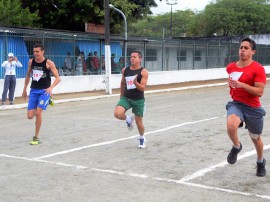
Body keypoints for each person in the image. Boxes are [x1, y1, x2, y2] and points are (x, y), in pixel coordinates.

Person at [226, 37, 266, 177]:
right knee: (231, 125)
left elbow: (259, 92)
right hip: (237, 104)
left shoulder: (258, 69)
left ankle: (260, 162)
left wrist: (242, 85)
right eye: (241, 47)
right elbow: (231, 82)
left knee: (255, 138)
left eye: (246, 48)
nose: (242, 50)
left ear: (253, 51)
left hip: (253, 107)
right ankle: (237, 146)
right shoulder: (231, 67)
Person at [22, 44, 61, 145]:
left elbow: (58, 78)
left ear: (42, 52)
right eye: (34, 52)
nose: (35, 53)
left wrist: (51, 88)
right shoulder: (31, 62)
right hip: (34, 90)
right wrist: (24, 89)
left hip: (44, 91)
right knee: (30, 116)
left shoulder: (49, 63)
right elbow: (27, 76)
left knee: (39, 113)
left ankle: (36, 137)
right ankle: (46, 102)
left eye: (37, 52)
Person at [114, 50, 149, 148]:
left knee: (139, 122)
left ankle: (142, 138)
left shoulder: (144, 72)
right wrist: (121, 95)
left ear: (140, 59)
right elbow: (122, 83)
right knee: (117, 114)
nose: (132, 58)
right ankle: (128, 119)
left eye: (134, 57)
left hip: (138, 99)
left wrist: (135, 83)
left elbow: (142, 88)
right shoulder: (125, 70)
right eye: (131, 57)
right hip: (126, 97)